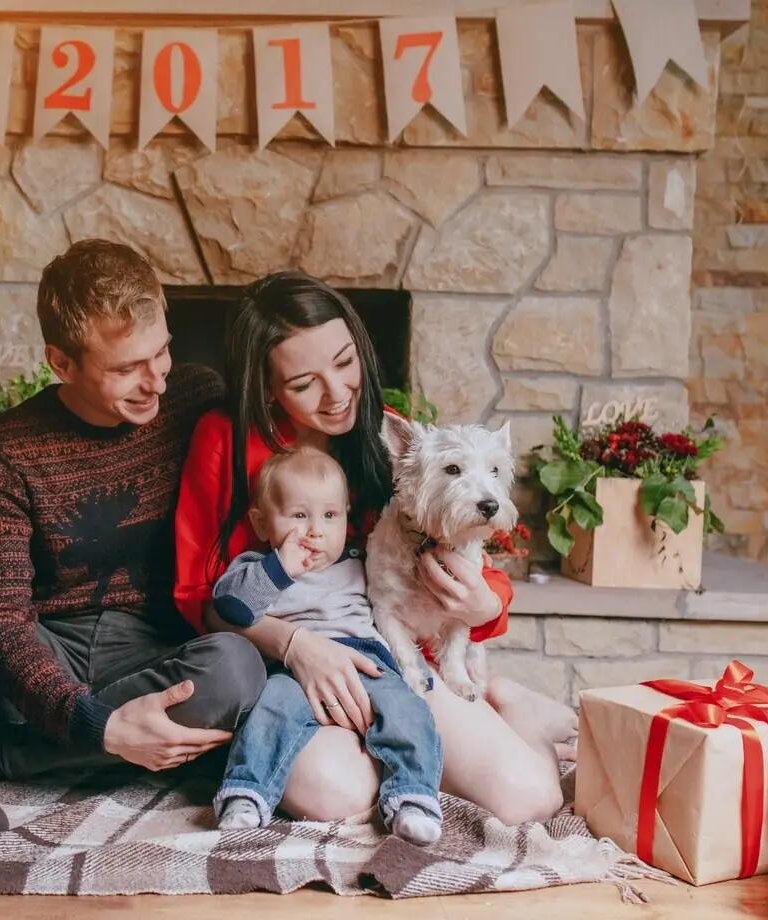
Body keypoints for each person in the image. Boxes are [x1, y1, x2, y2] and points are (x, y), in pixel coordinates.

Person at [0, 239, 268, 885]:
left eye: (162, 350)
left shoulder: (197, 400)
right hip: (34, 654)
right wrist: (91, 722)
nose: (157, 378)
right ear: (61, 361)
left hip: (152, 653)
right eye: (128, 366)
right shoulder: (1, 449)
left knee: (237, 668)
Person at [174, 270, 578, 827]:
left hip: (391, 655)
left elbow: (463, 553)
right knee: (331, 797)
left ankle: (510, 705)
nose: (338, 393)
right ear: (267, 386)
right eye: (303, 383)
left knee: (529, 798)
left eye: (345, 362)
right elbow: (196, 594)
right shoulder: (222, 438)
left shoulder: (392, 438)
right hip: (286, 671)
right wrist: (296, 647)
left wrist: (486, 607)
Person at [210, 446, 444, 846]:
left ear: (346, 518)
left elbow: (398, 608)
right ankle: (246, 793)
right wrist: (278, 568)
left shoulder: (359, 562)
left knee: (409, 711)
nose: (315, 530)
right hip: (291, 669)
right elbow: (229, 607)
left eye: (330, 516)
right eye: (299, 516)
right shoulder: (258, 568)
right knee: (271, 710)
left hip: (368, 661)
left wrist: (417, 668)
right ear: (263, 523)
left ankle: (414, 797)